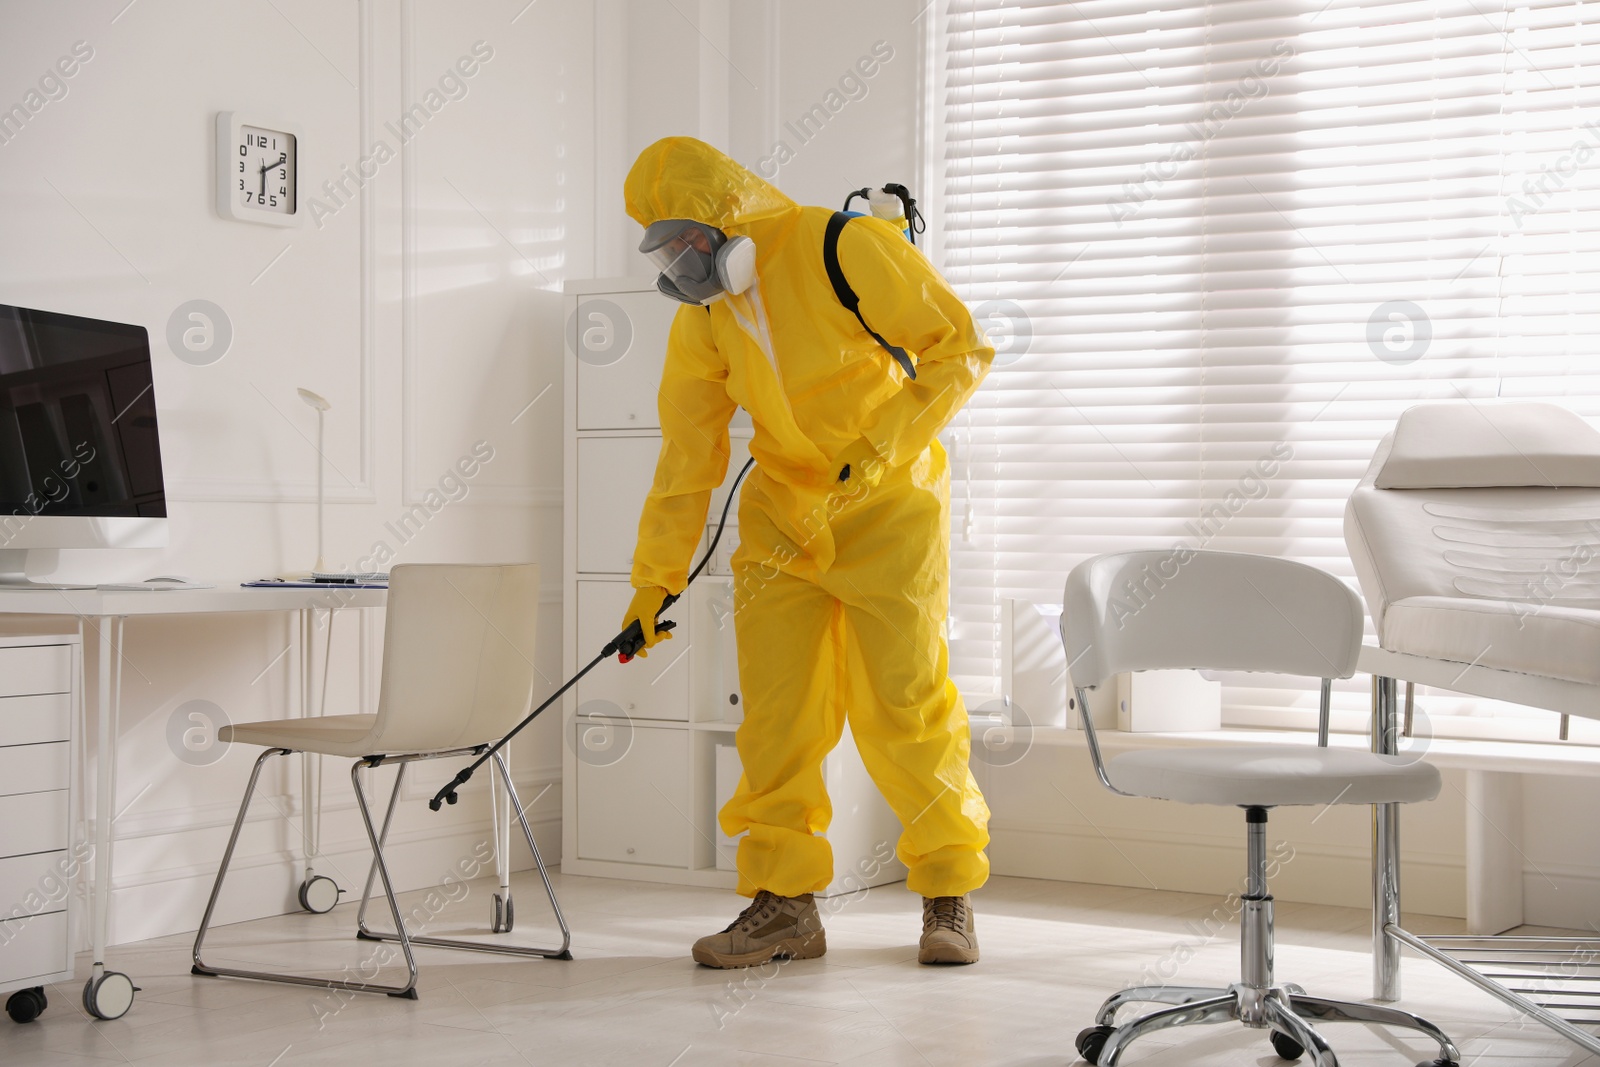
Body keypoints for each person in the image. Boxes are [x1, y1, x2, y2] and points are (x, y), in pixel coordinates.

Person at [619, 136, 994, 969]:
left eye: (688, 235)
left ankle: (947, 891)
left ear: (729, 215)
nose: (682, 258)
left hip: (888, 507)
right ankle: (785, 905)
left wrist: (884, 444)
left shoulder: (843, 246)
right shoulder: (706, 316)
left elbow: (959, 347)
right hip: (783, 522)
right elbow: (688, 455)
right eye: (664, 243)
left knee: (906, 707)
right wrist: (654, 581)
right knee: (776, 723)